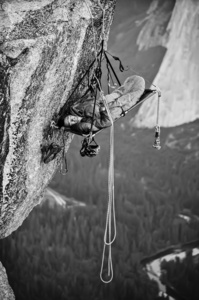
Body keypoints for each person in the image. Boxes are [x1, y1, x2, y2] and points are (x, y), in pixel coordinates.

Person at [60, 75, 145, 135]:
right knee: (133, 92)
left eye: (70, 118)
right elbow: (107, 122)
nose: (73, 119)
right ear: (73, 125)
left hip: (106, 101)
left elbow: (90, 102)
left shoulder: (78, 110)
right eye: (71, 122)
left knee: (130, 85)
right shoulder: (88, 125)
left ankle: (130, 86)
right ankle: (133, 89)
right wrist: (103, 110)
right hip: (114, 109)